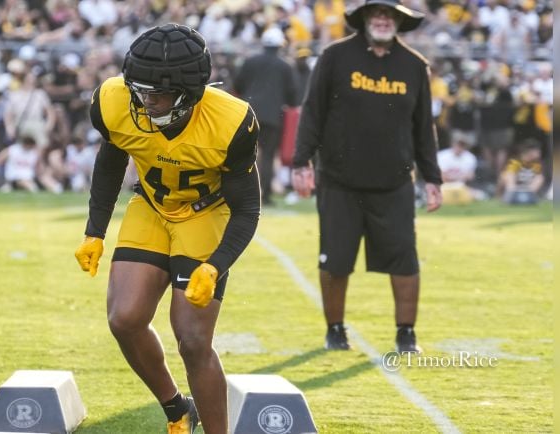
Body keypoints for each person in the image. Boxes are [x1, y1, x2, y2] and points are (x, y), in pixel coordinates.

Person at [74, 24, 260, 434]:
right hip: (152, 206)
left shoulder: (229, 122)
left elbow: (247, 210)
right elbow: (110, 163)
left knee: (193, 340)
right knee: (124, 318)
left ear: (187, 94)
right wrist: (95, 231)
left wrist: (215, 266)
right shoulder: (114, 101)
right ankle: (178, 409)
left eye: (154, 94)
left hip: (205, 213)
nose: (142, 100)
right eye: (137, 89)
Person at [291, 0, 443, 354]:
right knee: (335, 260)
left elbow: (423, 128)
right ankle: (335, 330)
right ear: (363, 19)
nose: (382, 19)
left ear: (399, 22)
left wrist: (432, 178)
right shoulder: (335, 57)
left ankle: (406, 333)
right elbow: (312, 111)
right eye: (376, 13)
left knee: (405, 258)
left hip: (394, 183)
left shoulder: (414, 66)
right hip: (339, 181)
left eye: (390, 14)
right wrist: (302, 162)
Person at [234, 26, 297, 206]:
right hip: (272, 117)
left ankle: (240, 194)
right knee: (268, 156)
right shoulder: (285, 66)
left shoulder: (250, 61)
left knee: (243, 155)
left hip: (248, 113)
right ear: (279, 45)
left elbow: (238, 85)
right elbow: (292, 95)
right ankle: (265, 196)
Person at [500, 138, 544, 205]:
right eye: (537, 151)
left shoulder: (537, 164)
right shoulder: (516, 162)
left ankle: (531, 196)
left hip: (528, 189)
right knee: (506, 175)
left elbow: (538, 178)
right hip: (514, 188)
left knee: (540, 177)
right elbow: (509, 175)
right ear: (530, 151)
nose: (539, 153)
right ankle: (510, 197)